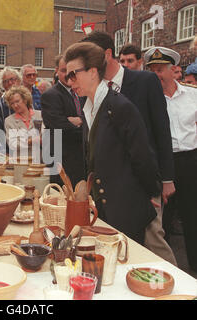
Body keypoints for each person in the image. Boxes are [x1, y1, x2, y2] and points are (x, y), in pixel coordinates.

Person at [82, 31, 176, 264]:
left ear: (106, 54)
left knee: (153, 240)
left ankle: (179, 291)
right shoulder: (94, 90)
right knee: (119, 247)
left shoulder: (145, 81)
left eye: (89, 57)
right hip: (114, 188)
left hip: (146, 180)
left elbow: (161, 131)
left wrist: (165, 180)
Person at [64, 42, 161, 244]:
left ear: (92, 72)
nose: (69, 80)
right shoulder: (88, 108)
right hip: (103, 212)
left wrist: (150, 193)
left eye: (73, 74)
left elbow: (142, 157)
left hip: (126, 211)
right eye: (67, 75)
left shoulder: (119, 106)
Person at [144, 46, 197, 272]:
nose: (156, 74)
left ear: (173, 69)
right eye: (152, 70)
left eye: (160, 69)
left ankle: (194, 266)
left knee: (192, 214)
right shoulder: (147, 101)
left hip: (191, 160)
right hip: (164, 163)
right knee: (163, 220)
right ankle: (165, 267)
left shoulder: (192, 94)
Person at [41, 54, 86, 187]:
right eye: (63, 70)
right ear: (56, 71)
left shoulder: (82, 92)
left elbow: (92, 117)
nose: (67, 74)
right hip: (61, 161)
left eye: (71, 71)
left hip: (81, 160)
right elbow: (58, 126)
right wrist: (84, 127)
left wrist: (79, 120)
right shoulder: (50, 95)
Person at [0, 67, 21, 152]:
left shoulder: (27, 100)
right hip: (8, 153)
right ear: (2, 85)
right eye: (6, 81)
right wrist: (1, 154)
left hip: (29, 152)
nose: (10, 83)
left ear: (18, 80)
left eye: (12, 79)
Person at [4, 86, 42, 159]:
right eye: (12, 103)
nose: (15, 105)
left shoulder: (41, 115)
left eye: (17, 101)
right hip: (20, 162)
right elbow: (13, 144)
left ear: (25, 100)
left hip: (40, 161)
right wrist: (31, 141)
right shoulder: (9, 121)